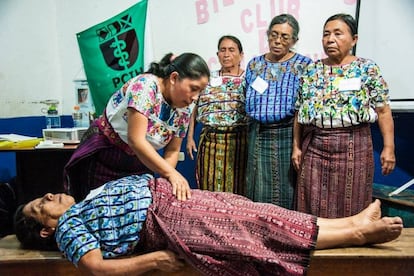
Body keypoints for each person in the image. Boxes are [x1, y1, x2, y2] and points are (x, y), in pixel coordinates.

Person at [14, 174, 403, 276]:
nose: (49, 197)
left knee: (263, 211)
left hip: (174, 200)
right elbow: (96, 267)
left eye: (43, 196)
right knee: (261, 231)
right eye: (40, 205)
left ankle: (350, 220)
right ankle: (358, 233)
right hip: (166, 221)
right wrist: (154, 262)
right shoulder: (69, 228)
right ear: (46, 229)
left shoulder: (83, 203)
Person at [63, 53, 210, 202]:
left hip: (140, 163)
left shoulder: (184, 110)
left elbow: (172, 150)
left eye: (200, 92)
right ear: (173, 78)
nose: (195, 97)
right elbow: (136, 140)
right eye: (193, 88)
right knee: (97, 208)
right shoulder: (146, 87)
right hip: (105, 155)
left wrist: (165, 180)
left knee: (133, 212)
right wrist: (172, 174)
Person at [292, 13, 396, 218]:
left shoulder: (367, 69)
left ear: (354, 39)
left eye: (338, 34)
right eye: (326, 34)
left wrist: (389, 148)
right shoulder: (311, 70)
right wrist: (296, 147)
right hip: (315, 146)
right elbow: (299, 112)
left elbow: (383, 111)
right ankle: (316, 247)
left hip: (354, 146)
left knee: (353, 202)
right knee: (312, 202)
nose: (330, 39)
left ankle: (351, 246)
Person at [245, 14, 312, 208]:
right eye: (273, 34)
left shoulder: (304, 65)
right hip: (257, 133)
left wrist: (296, 145)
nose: (277, 40)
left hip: (288, 132)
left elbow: (304, 104)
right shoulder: (254, 64)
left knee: (287, 186)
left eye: (284, 37)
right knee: (257, 187)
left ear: (294, 41)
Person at [186, 35, 249, 194]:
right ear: (217, 54)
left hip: (239, 140)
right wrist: (190, 137)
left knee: (238, 186)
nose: (226, 54)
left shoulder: (248, 79)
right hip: (210, 140)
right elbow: (196, 106)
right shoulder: (208, 78)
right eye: (223, 50)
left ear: (241, 55)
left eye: (231, 50)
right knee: (210, 185)